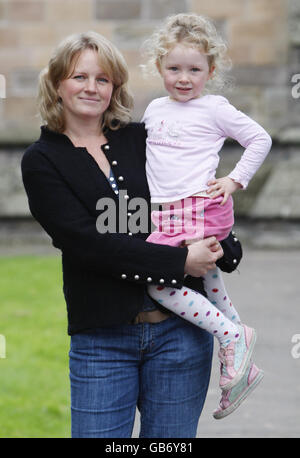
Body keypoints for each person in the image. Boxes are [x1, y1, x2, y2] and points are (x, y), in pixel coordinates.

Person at [21, 31, 227, 438]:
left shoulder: (141, 139)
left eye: (103, 78)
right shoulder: (42, 160)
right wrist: (178, 262)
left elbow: (181, 201)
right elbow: (84, 243)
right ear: (58, 83)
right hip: (102, 341)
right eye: (80, 77)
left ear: (114, 86)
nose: (92, 88)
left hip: (180, 336)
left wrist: (223, 245)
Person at [141, 13, 272, 419]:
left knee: (157, 284)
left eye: (194, 69)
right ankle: (240, 368)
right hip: (169, 214)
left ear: (210, 71)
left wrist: (234, 180)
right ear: (159, 66)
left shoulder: (214, 107)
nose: (184, 77)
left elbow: (259, 138)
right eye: (174, 68)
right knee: (209, 281)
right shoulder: (154, 108)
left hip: (200, 208)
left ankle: (231, 335)